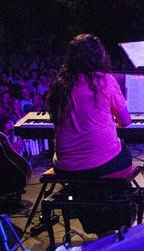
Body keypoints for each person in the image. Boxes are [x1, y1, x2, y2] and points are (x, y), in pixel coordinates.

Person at [46, 34, 132, 178]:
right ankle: (112, 192)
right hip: (101, 165)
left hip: (64, 166)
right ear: (99, 56)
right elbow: (125, 121)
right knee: (125, 154)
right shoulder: (106, 80)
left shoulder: (60, 84)